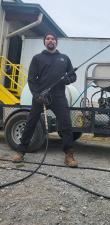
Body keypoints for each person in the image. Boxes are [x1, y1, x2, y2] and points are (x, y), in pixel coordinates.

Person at [12, 33, 78, 167]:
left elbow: (73, 76)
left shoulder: (64, 58)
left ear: (56, 42)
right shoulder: (37, 58)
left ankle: (69, 155)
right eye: (48, 39)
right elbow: (31, 79)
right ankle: (20, 152)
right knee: (30, 123)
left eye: (53, 39)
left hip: (59, 96)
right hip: (41, 96)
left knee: (66, 124)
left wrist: (68, 79)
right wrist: (37, 96)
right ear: (44, 42)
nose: (51, 41)